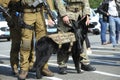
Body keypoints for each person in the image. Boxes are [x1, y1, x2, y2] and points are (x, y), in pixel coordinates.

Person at [15, 0, 55, 79]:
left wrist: (50, 16)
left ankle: (43, 67)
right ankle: (24, 69)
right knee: (26, 44)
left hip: (40, 14)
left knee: (44, 43)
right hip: (27, 13)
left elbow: (48, 1)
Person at [55, 0, 96, 74]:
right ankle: (62, 65)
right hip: (66, 14)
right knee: (64, 41)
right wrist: (63, 14)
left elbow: (86, 1)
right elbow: (58, 1)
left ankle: (84, 63)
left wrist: (87, 14)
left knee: (81, 40)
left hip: (79, 16)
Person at [0, 0, 35, 76]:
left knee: (28, 43)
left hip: (27, 17)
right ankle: (15, 66)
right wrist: (9, 20)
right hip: (15, 18)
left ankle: (29, 65)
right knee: (16, 44)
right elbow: (3, 7)